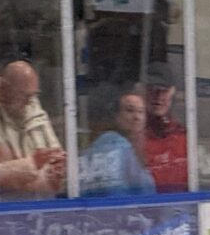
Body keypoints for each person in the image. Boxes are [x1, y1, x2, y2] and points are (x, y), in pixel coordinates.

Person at [0, 59, 67, 198]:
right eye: (24, 96)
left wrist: (58, 169)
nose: (29, 102)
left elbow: (56, 160)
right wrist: (31, 165)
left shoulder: (34, 109)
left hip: (43, 204)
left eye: (33, 95)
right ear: (4, 91)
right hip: (3, 206)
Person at [79, 90, 155, 197]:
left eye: (141, 111)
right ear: (116, 116)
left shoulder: (138, 146)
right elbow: (144, 192)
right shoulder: (117, 148)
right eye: (130, 110)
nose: (137, 117)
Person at [141, 62, 187, 193]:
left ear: (172, 92)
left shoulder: (182, 136)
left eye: (164, 91)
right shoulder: (134, 138)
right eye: (153, 90)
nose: (158, 97)